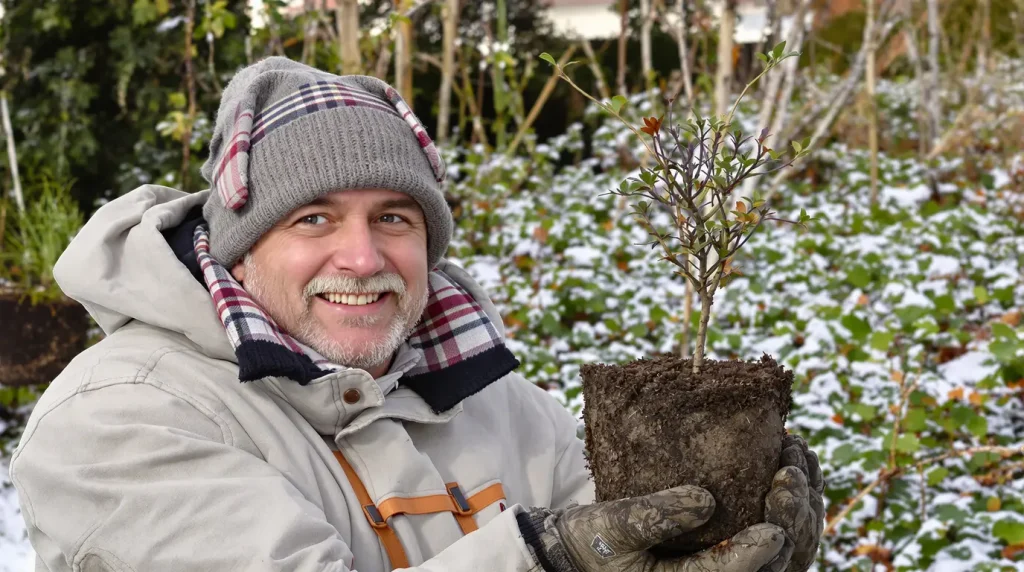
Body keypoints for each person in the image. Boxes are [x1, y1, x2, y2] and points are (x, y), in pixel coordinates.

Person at [10, 57, 824, 572]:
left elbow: (626, 534)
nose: (363, 258)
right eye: (314, 220)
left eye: (394, 218)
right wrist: (546, 562)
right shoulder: (119, 423)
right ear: (238, 248)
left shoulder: (481, 396)